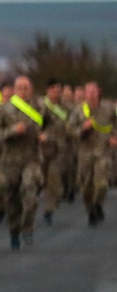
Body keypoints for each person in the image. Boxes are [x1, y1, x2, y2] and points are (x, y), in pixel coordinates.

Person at [0, 75, 45, 249]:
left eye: (26, 87)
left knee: (30, 194)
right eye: (19, 87)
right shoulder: (5, 110)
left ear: (31, 89)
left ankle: (27, 229)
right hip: (10, 162)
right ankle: (14, 230)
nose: (23, 91)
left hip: (32, 159)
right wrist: (13, 131)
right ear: (14, 90)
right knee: (13, 200)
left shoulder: (40, 107)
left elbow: (54, 126)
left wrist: (47, 136)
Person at [68, 81, 117, 225]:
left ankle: (97, 205)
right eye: (88, 92)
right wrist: (82, 129)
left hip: (103, 152)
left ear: (99, 92)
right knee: (86, 186)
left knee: (101, 184)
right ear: (84, 94)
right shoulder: (79, 111)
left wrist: (114, 136)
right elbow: (70, 130)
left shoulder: (108, 108)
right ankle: (91, 210)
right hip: (85, 153)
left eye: (94, 91)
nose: (91, 95)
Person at [40, 78, 74, 225]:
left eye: (59, 90)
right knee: (43, 181)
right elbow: (33, 124)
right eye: (54, 90)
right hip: (41, 150)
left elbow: (73, 126)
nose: (57, 93)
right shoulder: (40, 106)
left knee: (54, 179)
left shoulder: (67, 108)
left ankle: (49, 210)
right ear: (48, 91)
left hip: (60, 150)